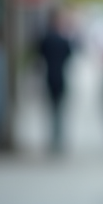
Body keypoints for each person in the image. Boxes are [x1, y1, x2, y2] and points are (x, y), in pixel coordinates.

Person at [38, 8, 73, 154]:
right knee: (59, 111)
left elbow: (39, 55)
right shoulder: (62, 40)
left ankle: (54, 139)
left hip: (49, 78)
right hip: (60, 78)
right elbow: (69, 55)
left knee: (52, 111)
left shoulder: (45, 38)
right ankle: (58, 139)